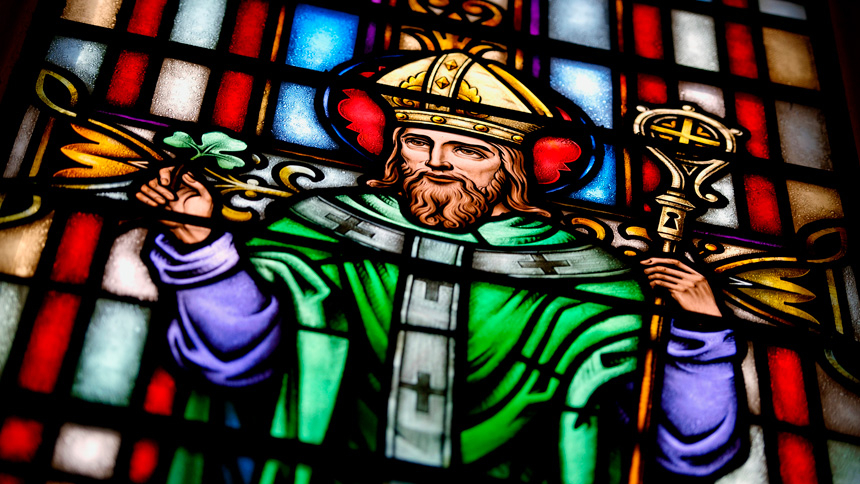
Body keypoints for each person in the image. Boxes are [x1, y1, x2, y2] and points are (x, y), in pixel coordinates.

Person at [137, 53, 741, 483]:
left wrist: (699, 333)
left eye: (469, 151)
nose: (438, 163)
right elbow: (236, 358)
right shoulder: (322, 225)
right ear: (394, 148)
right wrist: (202, 250)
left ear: (509, 168)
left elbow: (688, 449)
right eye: (419, 143)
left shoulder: (589, 278)